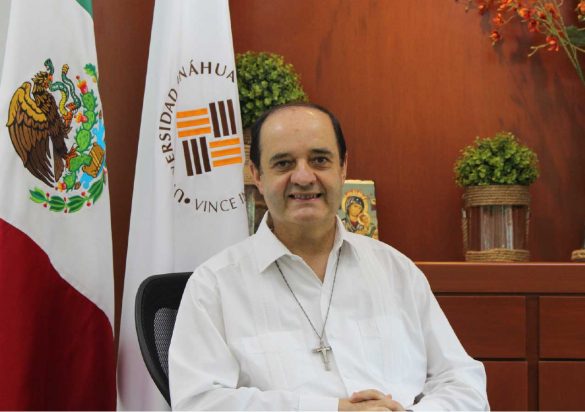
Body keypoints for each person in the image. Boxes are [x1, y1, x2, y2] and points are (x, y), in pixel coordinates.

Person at [169, 103, 488, 411]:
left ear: (343, 168)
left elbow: (464, 383)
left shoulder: (396, 271)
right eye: (283, 163)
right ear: (257, 176)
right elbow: (198, 403)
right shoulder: (214, 286)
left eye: (320, 160)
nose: (304, 177)